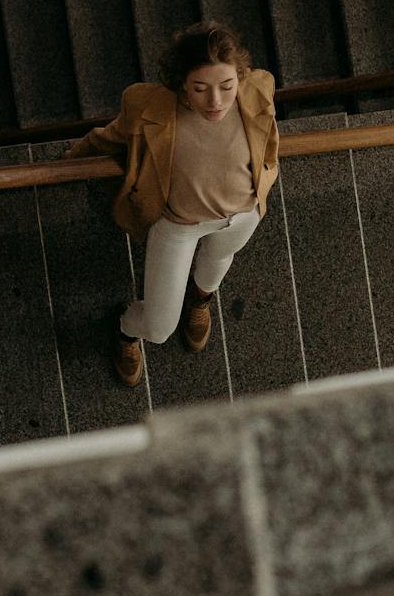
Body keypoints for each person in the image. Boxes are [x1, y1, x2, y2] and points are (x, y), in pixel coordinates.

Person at [66, 21, 280, 386]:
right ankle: (126, 331)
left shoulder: (258, 87)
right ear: (182, 82)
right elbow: (111, 137)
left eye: (226, 86)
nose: (216, 101)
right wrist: (73, 160)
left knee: (217, 263)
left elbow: (267, 140)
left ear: (239, 77)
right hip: (179, 226)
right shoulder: (149, 105)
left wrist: (265, 179)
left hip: (244, 214)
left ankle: (199, 301)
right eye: (201, 89)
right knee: (159, 326)